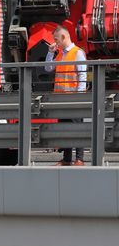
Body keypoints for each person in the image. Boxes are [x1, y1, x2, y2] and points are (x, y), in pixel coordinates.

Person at [44, 25, 87, 165]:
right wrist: (50, 53)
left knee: (77, 128)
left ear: (63, 37)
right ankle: (67, 159)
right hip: (61, 98)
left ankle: (79, 159)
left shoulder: (77, 52)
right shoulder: (61, 54)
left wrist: (79, 97)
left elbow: (82, 75)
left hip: (73, 98)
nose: (55, 43)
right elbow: (48, 68)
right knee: (64, 129)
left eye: (56, 39)